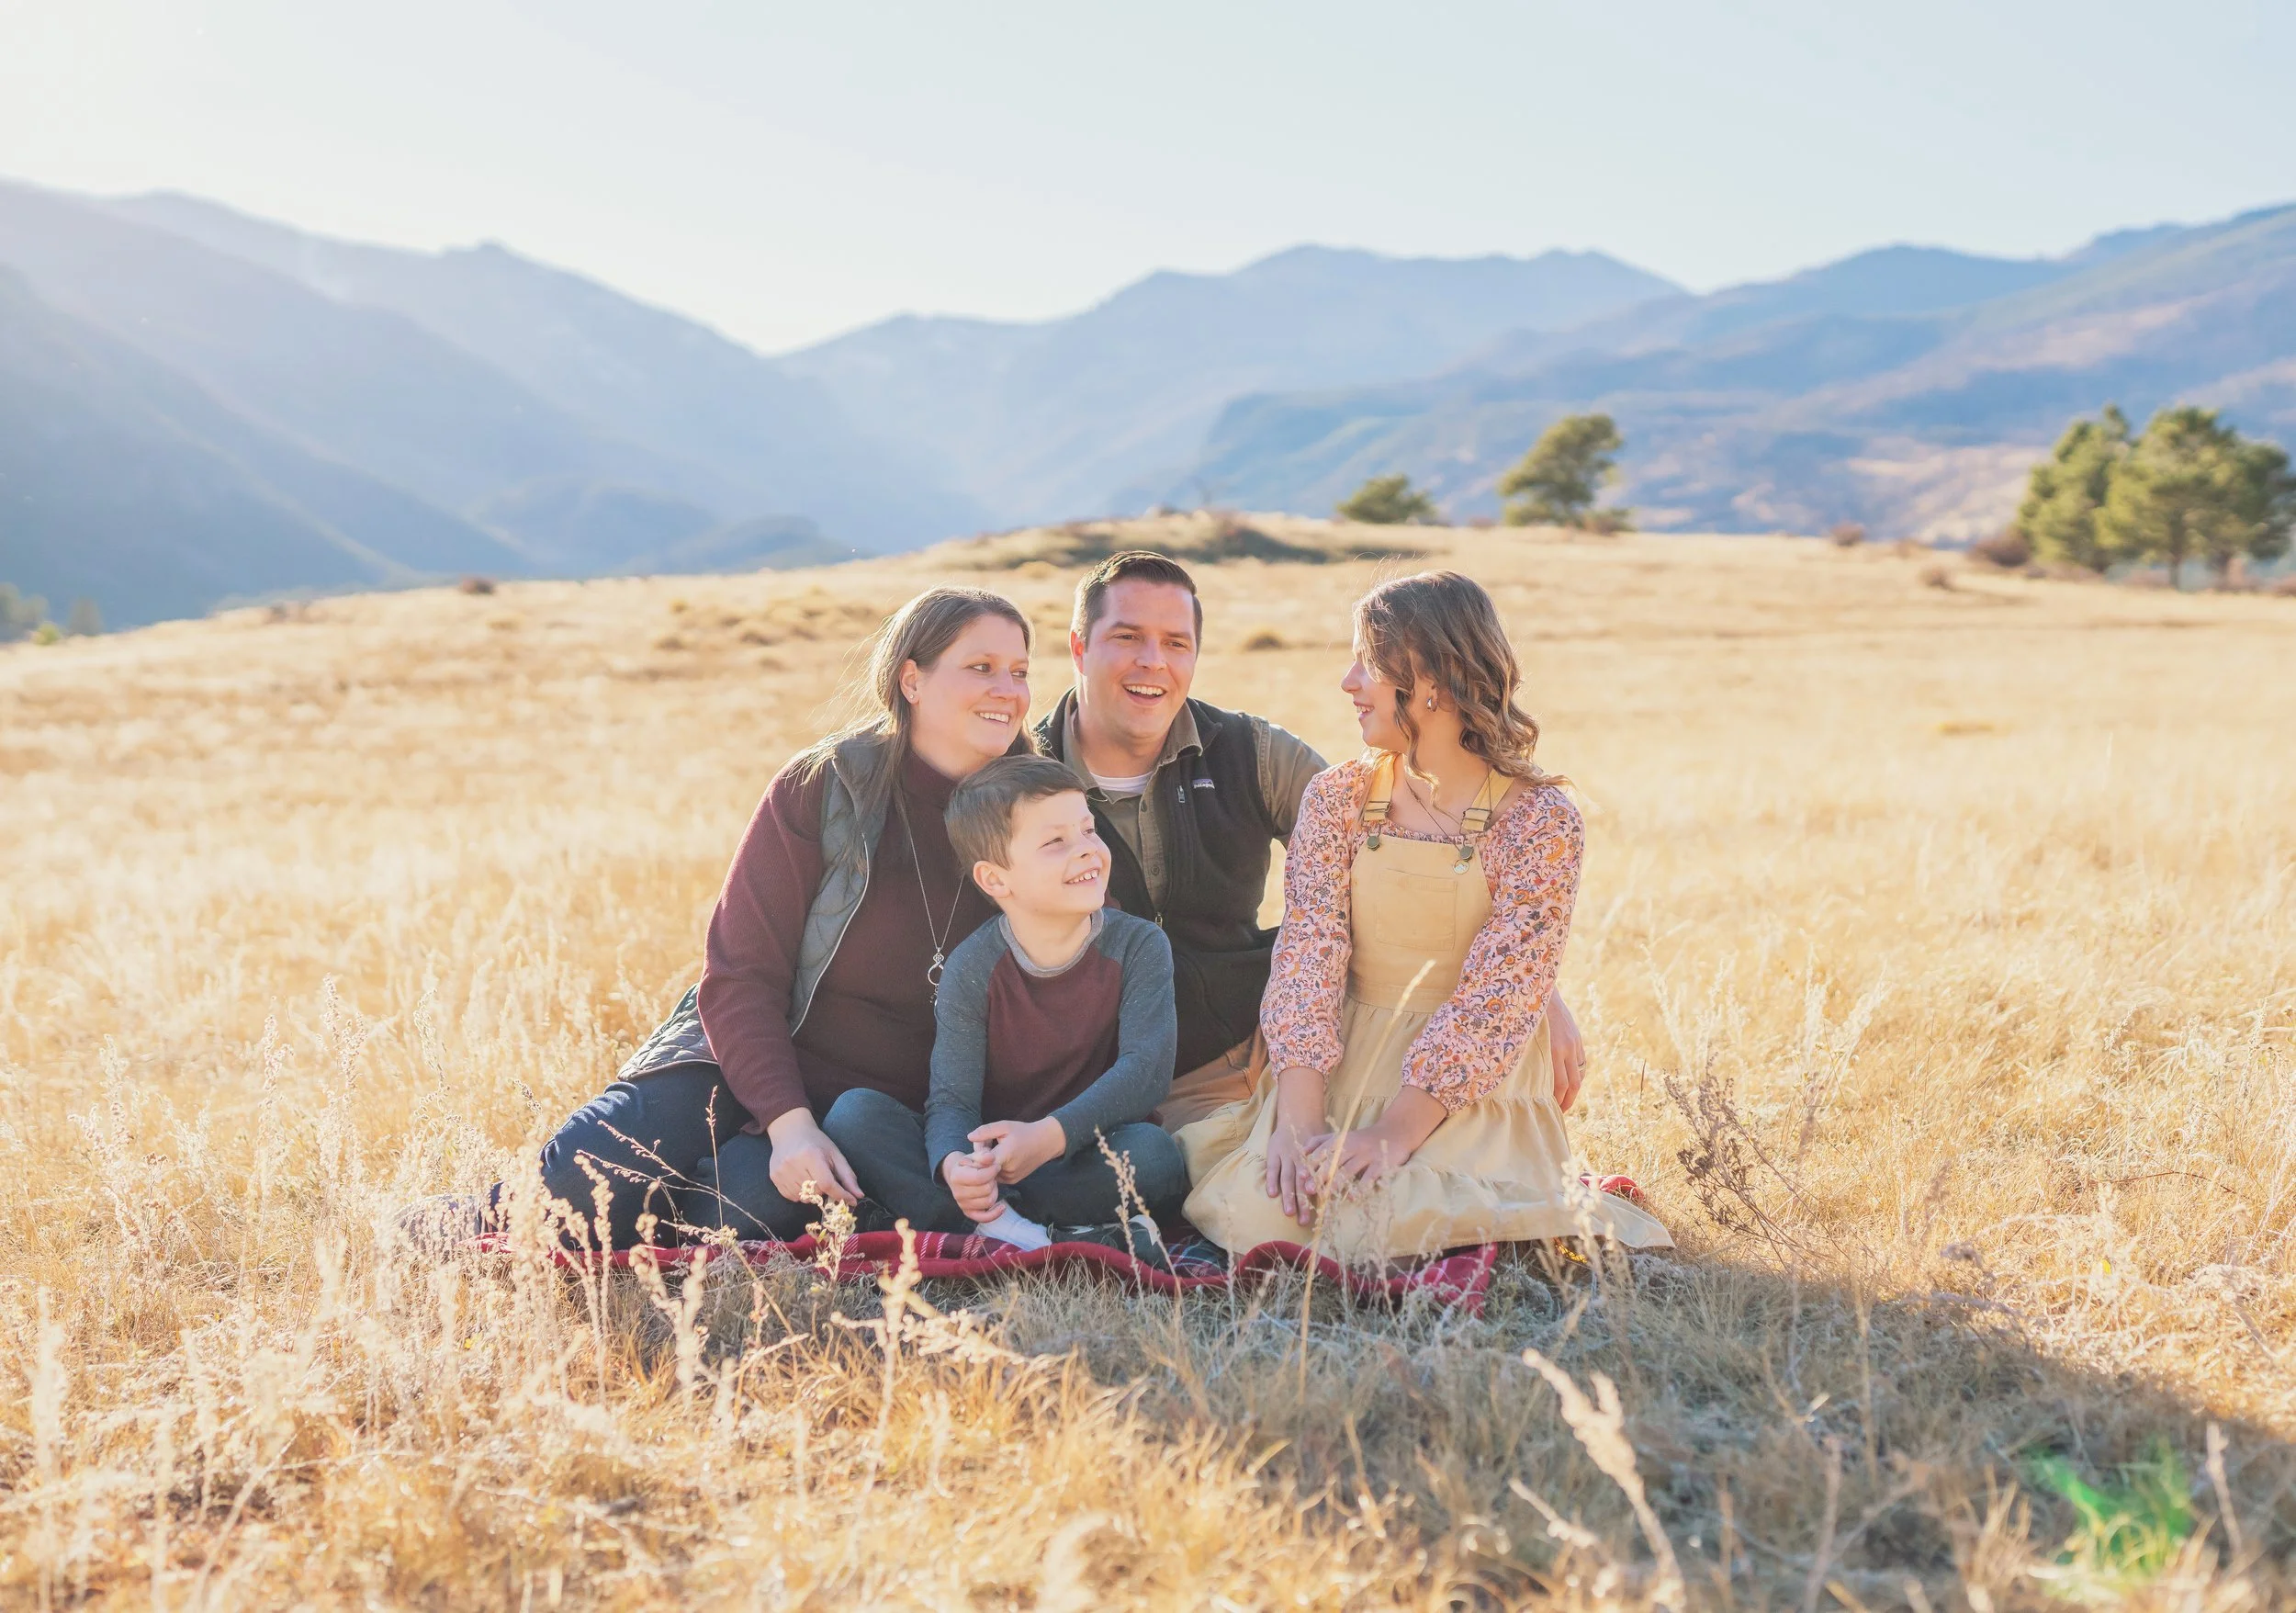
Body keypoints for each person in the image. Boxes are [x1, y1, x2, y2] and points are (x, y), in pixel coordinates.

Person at [427, 586, 1038, 1250]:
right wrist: (786, 1122)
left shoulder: (1039, 815)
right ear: (911, 680)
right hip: (733, 1060)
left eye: (1021, 671)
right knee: (576, 1192)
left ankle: (693, 1200)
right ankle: (456, 1222)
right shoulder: (826, 786)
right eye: (981, 667)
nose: (1007, 689)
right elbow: (740, 975)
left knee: (724, 1222)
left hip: (868, 1113)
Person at [1176, 571, 1673, 1264]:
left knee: (1390, 1217)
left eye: (1367, 663)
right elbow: (1308, 954)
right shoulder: (1339, 797)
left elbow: (1498, 998)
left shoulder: (1538, 820)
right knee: (1268, 1211)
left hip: (1464, 1084)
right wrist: (1296, 1120)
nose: (1348, 682)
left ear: (1432, 677)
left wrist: (1392, 1135)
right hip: (1341, 1060)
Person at [1031, 550, 1586, 1130]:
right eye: (1127, 637)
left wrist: (1538, 994)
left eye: (1176, 642)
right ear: (1078, 648)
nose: (1154, 662)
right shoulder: (1024, 781)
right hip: (1098, 1081)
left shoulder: (1256, 755)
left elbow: (1400, 871)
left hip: (1263, 1056)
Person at [831, 755, 1186, 1253]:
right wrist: (955, 1164)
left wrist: (1050, 1136)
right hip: (994, 1158)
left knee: (1154, 1158)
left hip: (1081, 1149)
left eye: (1088, 831)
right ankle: (1005, 1220)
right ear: (997, 880)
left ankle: (991, 1226)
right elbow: (952, 1099)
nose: (1086, 851)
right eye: (1055, 842)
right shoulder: (973, 965)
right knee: (854, 1116)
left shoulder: (1139, 946)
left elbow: (1146, 1072)